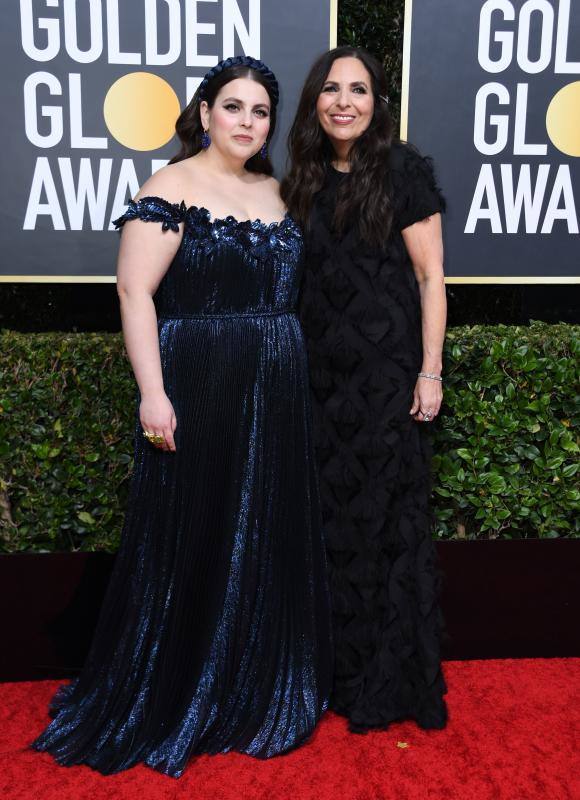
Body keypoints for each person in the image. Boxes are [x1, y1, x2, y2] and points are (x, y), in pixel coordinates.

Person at [32, 56, 332, 777]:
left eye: (260, 112)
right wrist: (153, 392)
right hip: (199, 378)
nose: (247, 122)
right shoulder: (169, 187)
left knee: (261, 529)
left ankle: (250, 680)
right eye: (233, 107)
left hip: (276, 383)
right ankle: (177, 686)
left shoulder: (280, 191)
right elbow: (136, 294)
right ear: (204, 113)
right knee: (195, 530)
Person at [281, 46, 448, 733]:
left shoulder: (403, 170)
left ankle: (386, 676)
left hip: (385, 385)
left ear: (378, 102)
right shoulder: (302, 178)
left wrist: (429, 370)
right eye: (331, 89)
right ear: (314, 101)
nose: (343, 101)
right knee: (329, 530)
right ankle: (332, 673)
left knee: (382, 527)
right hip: (318, 384)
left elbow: (431, 278)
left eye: (358, 89)